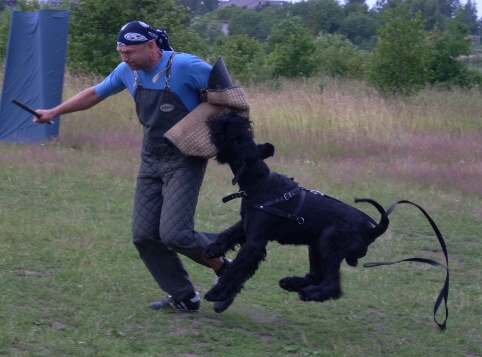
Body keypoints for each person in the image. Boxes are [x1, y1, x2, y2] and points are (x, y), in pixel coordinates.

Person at [34, 20, 232, 312]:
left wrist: (225, 139)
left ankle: (226, 269)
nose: (124, 58)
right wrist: (54, 111)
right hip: (151, 158)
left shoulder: (186, 66)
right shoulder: (128, 72)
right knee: (144, 235)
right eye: (121, 52)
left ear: (151, 46)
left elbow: (228, 99)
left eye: (130, 52)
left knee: (175, 234)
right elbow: (94, 93)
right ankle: (184, 296)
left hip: (185, 159)